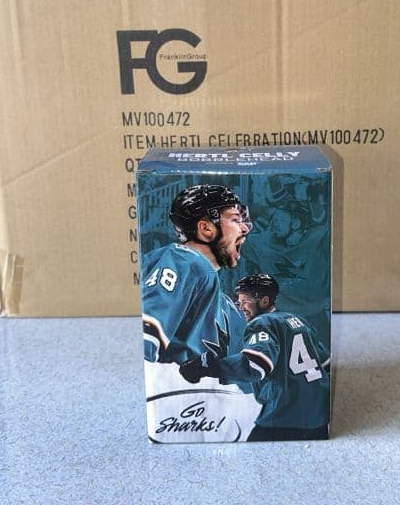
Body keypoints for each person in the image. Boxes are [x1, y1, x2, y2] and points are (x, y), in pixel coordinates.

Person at [179, 273, 331, 441]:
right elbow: (326, 364)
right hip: (319, 417)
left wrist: (209, 367)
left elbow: (256, 365)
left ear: (264, 301)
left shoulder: (263, 323)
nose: (241, 307)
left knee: (253, 454)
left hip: (284, 417)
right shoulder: (298, 321)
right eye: (239, 301)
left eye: (245, 301)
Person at [141, 184, 252, 365]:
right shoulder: (184, 259)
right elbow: (146, 338)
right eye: (235, 219)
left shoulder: (221, 299)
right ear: (206, 228)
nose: (245, 228)